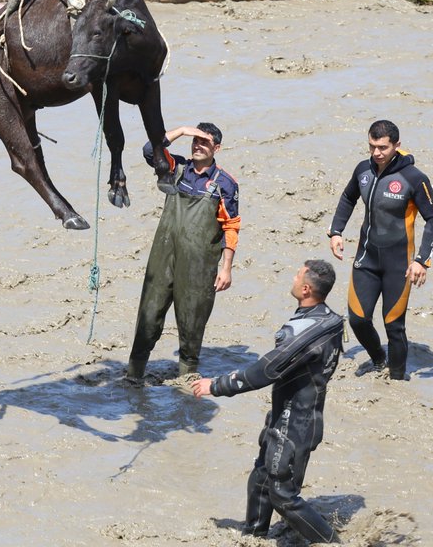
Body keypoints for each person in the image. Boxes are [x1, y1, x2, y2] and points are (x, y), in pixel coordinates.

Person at [192, 260, 344, 543]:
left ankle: (330, 542)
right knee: (261, 479)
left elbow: (264, 371)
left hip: (296, 423)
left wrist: (216, 385)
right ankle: (254, 536)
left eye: (297, 275)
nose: (293, 278)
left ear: (306, 289)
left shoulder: (303, 334)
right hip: (288, 415)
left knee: (284, 496)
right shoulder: (328, 320)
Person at [327, 119, 433, 380]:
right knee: (357, 319)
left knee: (394, 325)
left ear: (396, 145)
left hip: (399, 264)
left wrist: (422, 260)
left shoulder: (414, 178)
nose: (376, 153)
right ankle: (378, 359)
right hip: (366, 258)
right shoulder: (363, 170)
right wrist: (336, 231)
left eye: (382, 147)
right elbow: (348, 198)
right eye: (372, 146)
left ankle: (398, 379)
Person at [126, 123, 241, 381]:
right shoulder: (175, 168)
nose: (198, 146)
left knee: (192, 320)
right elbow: (149, 150)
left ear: (217, 148)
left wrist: (226, 268)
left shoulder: (225, 184)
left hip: (199, 264)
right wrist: (181, 131)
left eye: (205, 142)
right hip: (163, 256)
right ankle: (133, 376)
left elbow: (231, 227)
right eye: (195, 140)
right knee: (149, 314)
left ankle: (187, 381)